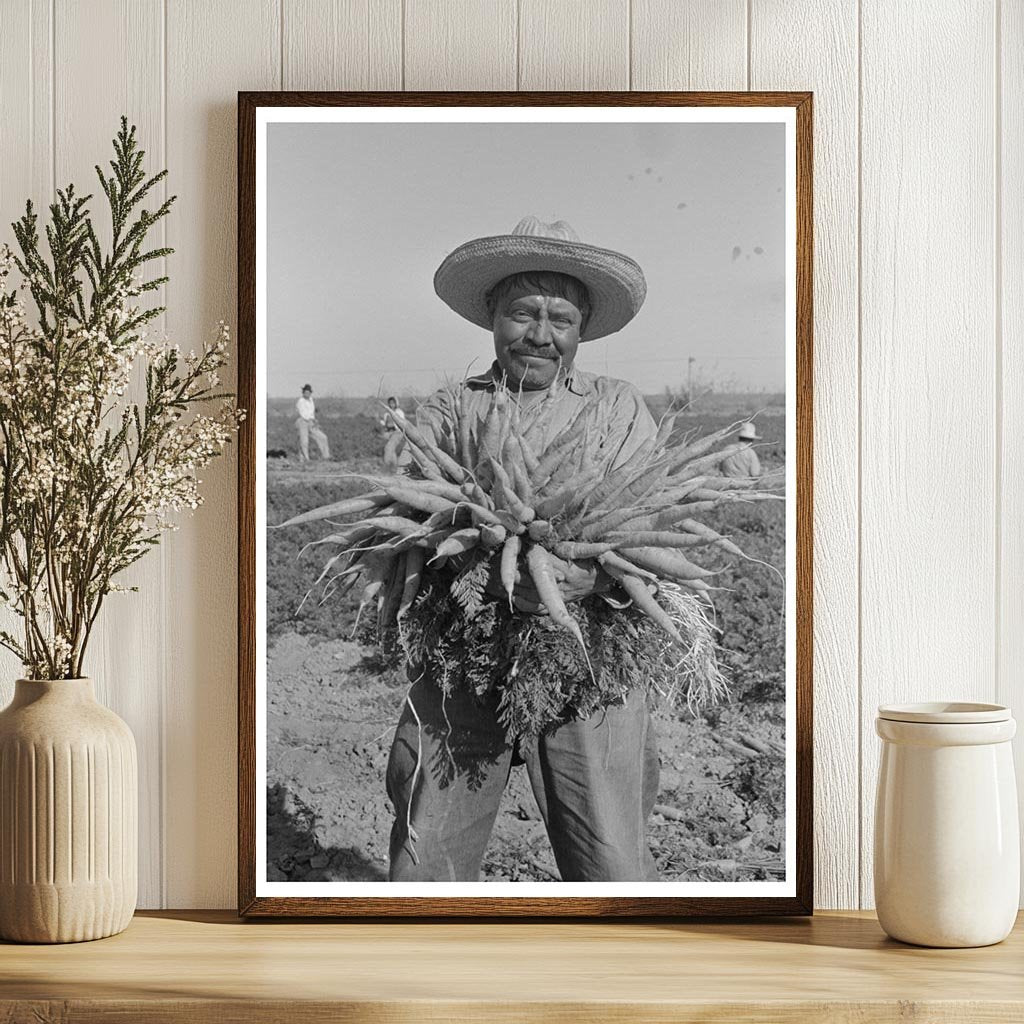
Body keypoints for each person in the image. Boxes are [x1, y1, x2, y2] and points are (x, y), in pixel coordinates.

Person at [385, 216, 662, 883]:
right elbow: (402, 517)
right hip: (462, 650)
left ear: (582, 328)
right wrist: (456, 553)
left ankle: (622, 973)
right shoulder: (449, 410)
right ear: (492, 316)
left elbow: (653, 522)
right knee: (429, 850)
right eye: (522, 314)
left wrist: (592, 580)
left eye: (559, 319)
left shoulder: (617, 408)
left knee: (610, 856)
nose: (540, 334)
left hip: (590, 656)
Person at [295, 384, 330, 462]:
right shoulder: (301, 401)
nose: (307, 394)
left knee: (323, 437)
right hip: (303, 422)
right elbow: (303, 414)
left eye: (309, 392)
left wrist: (314, 420)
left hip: (310, 422)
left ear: (310, 393)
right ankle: (305, 459)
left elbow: (312, 412)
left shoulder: (311, 400)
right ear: (303, 393)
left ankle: (326, 457)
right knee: (304, 441)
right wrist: (311, 420)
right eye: (306, 392)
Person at [381, 396, 408, 473]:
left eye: (393, 403)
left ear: (396, 404)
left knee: (388, 447)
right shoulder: (386, 413)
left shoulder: (399, 412)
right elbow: (385, 423)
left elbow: (402, 423)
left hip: (397, 432)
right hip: (389, 432)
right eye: (390, 403)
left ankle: (386, 466)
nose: (391, 404)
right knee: (391, 450)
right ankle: (394, 468)